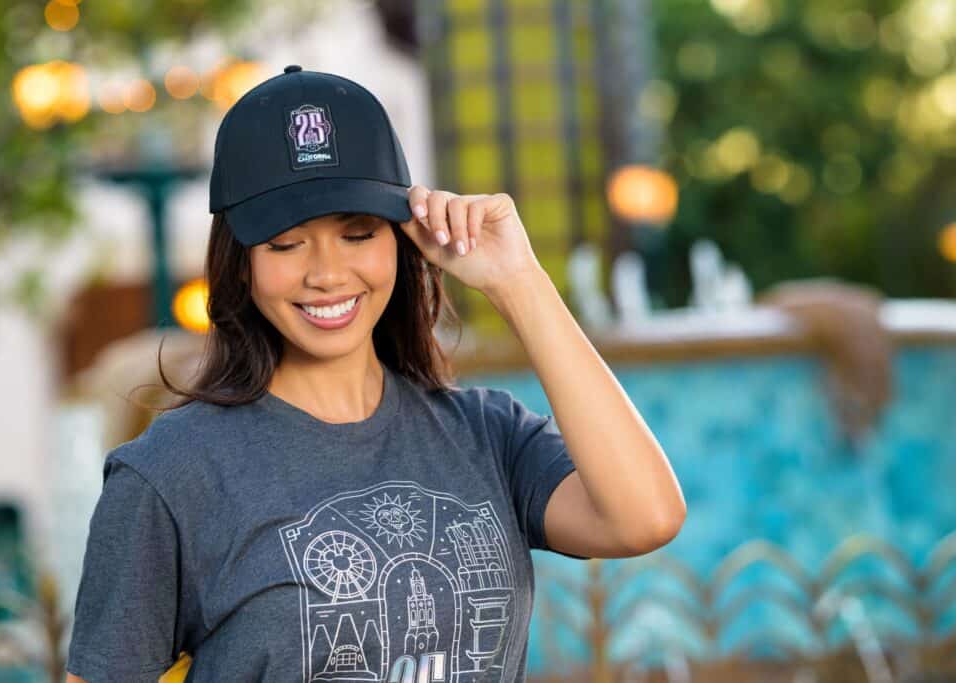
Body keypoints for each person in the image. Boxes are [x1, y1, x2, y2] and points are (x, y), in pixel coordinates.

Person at [64, 65, 685, 683]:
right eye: (286, 244)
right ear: (241, 262)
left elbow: (646, 518)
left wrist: (519, 281)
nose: (327, 273)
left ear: (400, 240)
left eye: (358, 233)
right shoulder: (171, 474)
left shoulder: (484, 435)